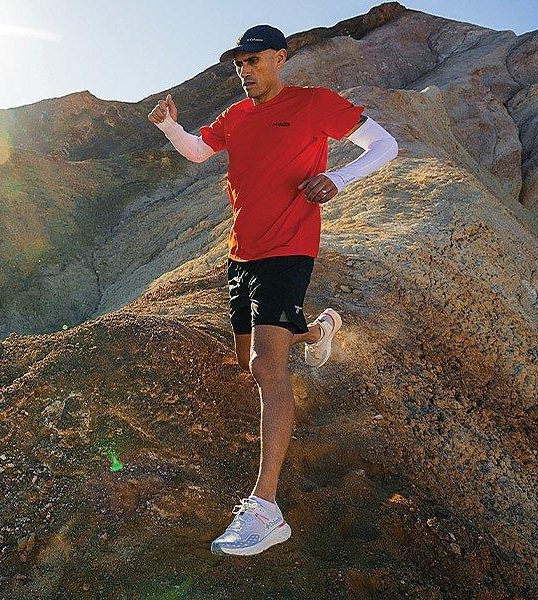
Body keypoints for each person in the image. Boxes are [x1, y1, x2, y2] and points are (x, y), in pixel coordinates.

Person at [147, 23, 399, 556]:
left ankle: (266, 509)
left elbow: (385, 144)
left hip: (289, 247)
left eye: (254, 61)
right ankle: (320, 328)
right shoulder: (237, 115)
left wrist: (341, 179)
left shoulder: (314, 103)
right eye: (240, 64)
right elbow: (198, 152)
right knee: (248, 358)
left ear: (280, 58)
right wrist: (171, 126)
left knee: (266, 368)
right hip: (243, 251)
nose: (245, 71)